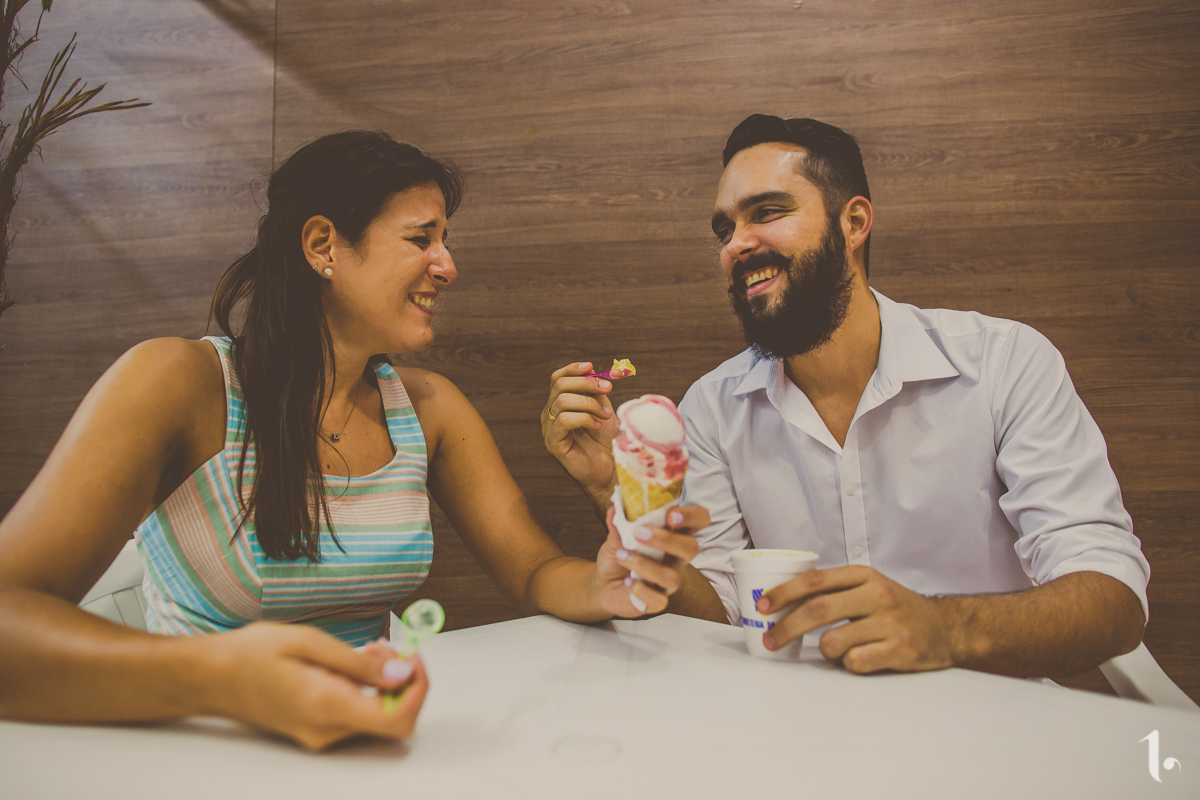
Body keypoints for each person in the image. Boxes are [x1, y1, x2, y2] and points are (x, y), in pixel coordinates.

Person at [0, 130, 708, 751]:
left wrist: (603, 580)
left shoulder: (432, 409)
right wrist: (224, 682)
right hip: (188, 753)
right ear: (322, 246)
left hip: (359, 752)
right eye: (421, 237)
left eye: (447, 240)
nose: (448, 265)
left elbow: (531, 572)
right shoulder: (177, 383)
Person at [543, 114, 1149, 678]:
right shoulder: (710, 407)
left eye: (767, 212)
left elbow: (1111, 594)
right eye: (725, 228)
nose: (736, 243)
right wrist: (625, 496)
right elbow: (723, 612)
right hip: (800, 731)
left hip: (994, 720)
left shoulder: (1004, 362)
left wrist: (944, 627)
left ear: (854, 223)